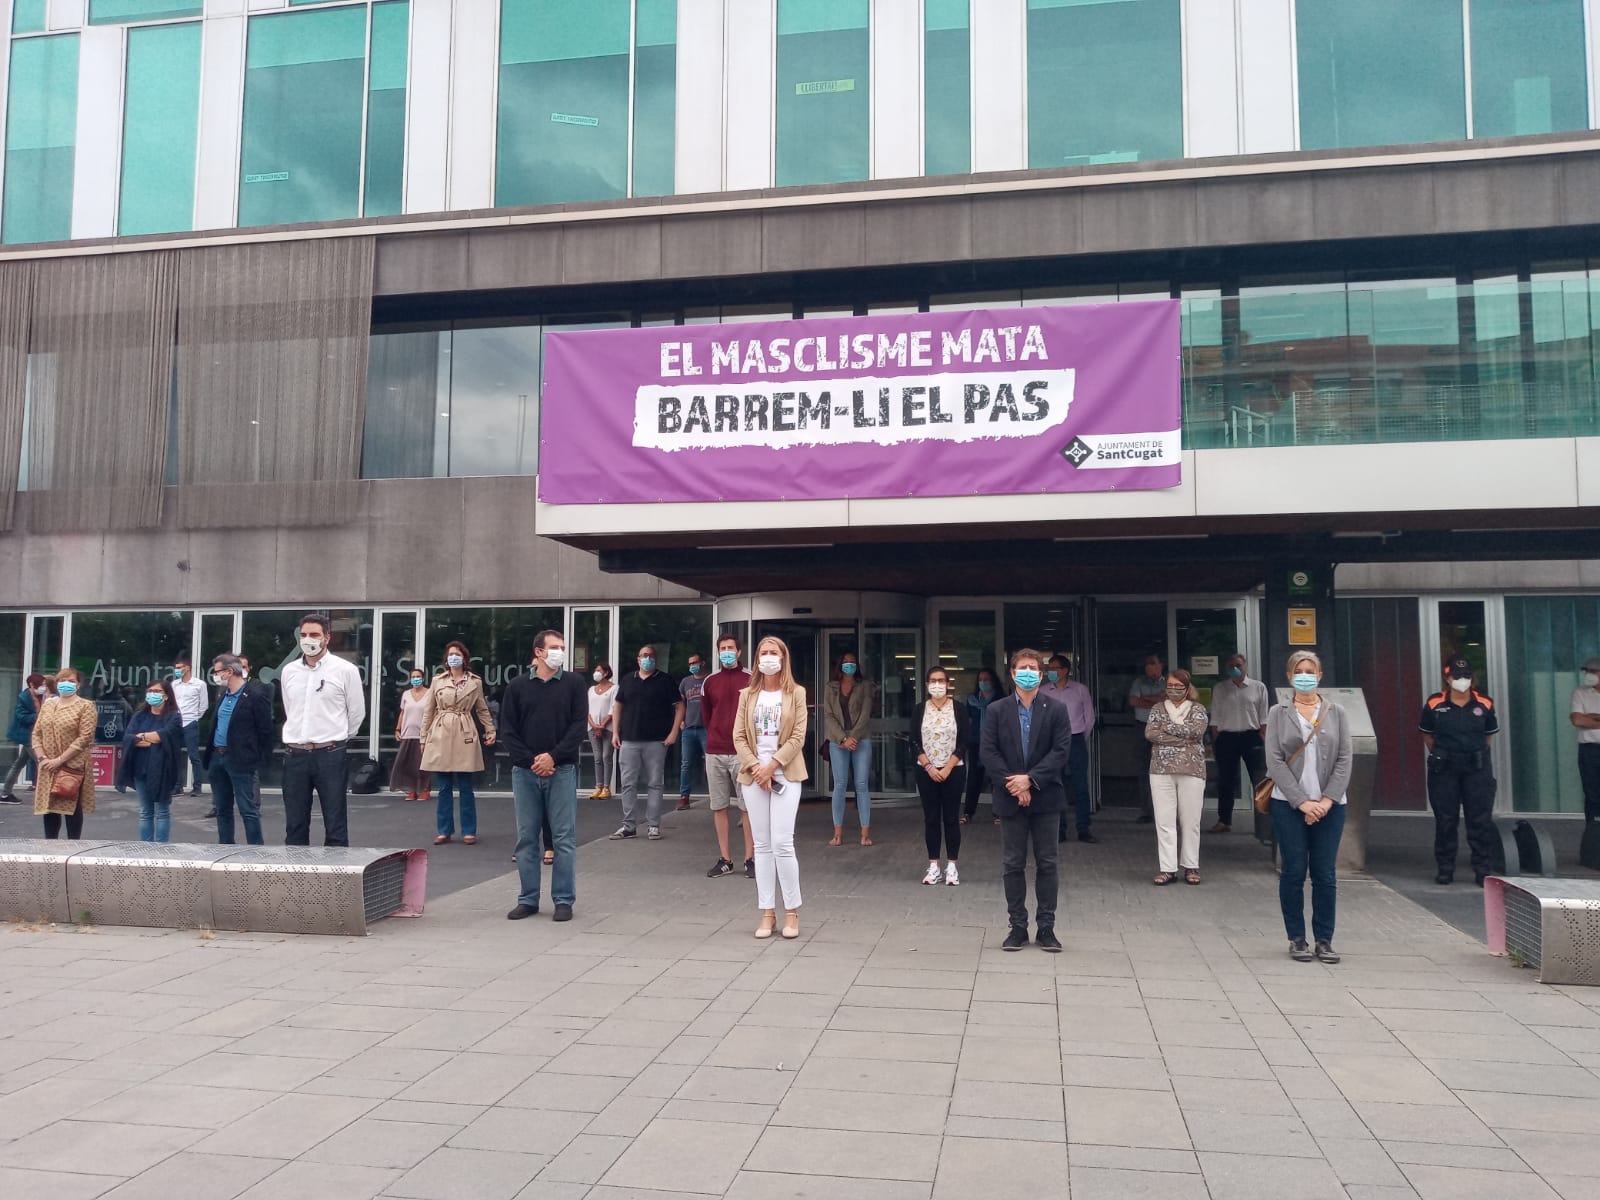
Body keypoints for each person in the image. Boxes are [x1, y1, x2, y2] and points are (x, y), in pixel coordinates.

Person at [980, 648, 1073, 952]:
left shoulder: (1056, 709)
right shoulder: (997, 710)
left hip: (1046, 796)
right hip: (1010, 797)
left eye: (1033, 668)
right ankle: (1017, 927)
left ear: (1041, 674)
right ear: (1012, 673)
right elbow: (988, 752)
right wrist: (1015, 784)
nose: (1028, 672)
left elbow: (1061, 751)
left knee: (1047, 863)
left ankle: (1046, 928)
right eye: (1023, 668)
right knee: (1012, 864)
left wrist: (1030, 780)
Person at [1266, 651, 1353, 963]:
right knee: (1293, 871)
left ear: (1320, 675)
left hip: (1331, 806)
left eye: (1310, 670)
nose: (1305, 676)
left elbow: (1345, 758)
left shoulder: (1336, 712)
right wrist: (1302, 802)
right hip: (1289, 804)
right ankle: (1297, 938)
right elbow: (1274, 760)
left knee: (1324, 874)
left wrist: (1327, 800)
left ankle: (1324, 940)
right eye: (1299, 671)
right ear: (1290, 677)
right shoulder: (1278, 713)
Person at [501, 630, 586, 922]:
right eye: (554, 647)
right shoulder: (517, 686)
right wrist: (532, 761)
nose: (560, 652)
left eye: (562, 647)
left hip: (561, 770)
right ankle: (528, 899)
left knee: (563, 838)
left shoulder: (574, 683)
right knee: (526, 838)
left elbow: (578, 727)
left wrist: (553, 757)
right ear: (538, 652)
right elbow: (508, 731)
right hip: (525, 773)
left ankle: (563, 900)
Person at [734, 636, 808, 940]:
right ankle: (767, 912)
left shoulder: (797, 693)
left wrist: (772, 766)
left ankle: (792, 911)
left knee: (782, 843)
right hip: (754, 777)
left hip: (785, 775)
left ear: (783, 657)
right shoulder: (747, 695)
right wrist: (757, 767)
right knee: (761, 845)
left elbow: (798, 737)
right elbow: (739, 736)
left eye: (772, 652)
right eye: (763, 652)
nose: (767, 657)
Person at [280, 613, 366, 848]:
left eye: (314, 634)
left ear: (327, 637)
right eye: (304, 634)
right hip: (295, 754)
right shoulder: (289, 671)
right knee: (295, 824)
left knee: (335, 822)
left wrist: (336, 737)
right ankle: (296, 870)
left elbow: (356, 712)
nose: (308, 639)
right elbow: (290, 708)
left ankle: (336, 870)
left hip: (330, 754)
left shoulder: (345, 670)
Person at [1419, 657, 1499, 886]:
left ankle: (1482, 870)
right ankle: (1445, 869)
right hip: (1445, 768)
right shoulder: (1435, 703)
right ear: (1448, 678)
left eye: (1466, 676)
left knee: (1480, 820)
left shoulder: (1484, 703)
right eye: (1456, 676)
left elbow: (1488, 737)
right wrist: (1443, 754)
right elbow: (1427, 734)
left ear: (1472, 678)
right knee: (1446, 820)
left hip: (1476, 768)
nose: (1461, 680)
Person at [421, 639, 496, 846]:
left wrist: (490, 729)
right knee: (444, 787)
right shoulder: (437, 681)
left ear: (464, 658)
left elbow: (482, 708)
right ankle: (444, 830)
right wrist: (423, 737)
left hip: (464, 731)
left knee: (465, 785)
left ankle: (469, 830)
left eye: (458, 654)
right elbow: (428, 711)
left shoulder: (475, 682)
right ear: (446, 659)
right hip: (441, 732)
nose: (454, 657)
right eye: (451, 654)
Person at [610, 644, 683, 841]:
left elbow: (679, 706)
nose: (647, 658)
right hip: (629, 740)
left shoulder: (665, 680)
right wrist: (615, 732)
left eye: (650, 655)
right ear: (638, 659)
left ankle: (653, 825)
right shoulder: (628, 680)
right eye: (643, 655)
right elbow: (618, 706)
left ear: (655, 659)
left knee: (655, 783)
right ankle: (629, 826)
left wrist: (674, 732)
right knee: (628, 784)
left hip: (657, 741)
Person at [700, 633, 755, 879]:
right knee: (719, 806)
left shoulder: (752, 678)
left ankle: (750, 858)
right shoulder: (710, 681)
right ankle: (725, 859)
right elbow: (707, 716)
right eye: (722, 648)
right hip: (715, 751)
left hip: (743, 753)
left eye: (731, 648)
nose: (727, 652)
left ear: (739, 652)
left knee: (748, 807)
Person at [1147, 669, 1209, 886]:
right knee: (1164, 821)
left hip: (1192, 770)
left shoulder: (1198, 709)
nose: (1173, 689)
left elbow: (1197, 732)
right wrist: (1183, 740)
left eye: (1178, 686)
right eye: (1170, 685)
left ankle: (1191, 866)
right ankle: (1168, 868)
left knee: (1191, 821)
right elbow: (1151, 733)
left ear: (1187, 687)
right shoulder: (1157, 708)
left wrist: (1166, 729)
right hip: (1160, 771)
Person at [910, 666, 971, 886]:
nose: (937, 685)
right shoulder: (920, 709)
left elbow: (964, 741)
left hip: (953, 770)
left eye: (941, 681)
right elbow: (914, 741)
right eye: (933, 681)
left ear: (948, 684)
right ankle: (934, 865)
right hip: (926, 771)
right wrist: (929, 766)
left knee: (951, 818)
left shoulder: (958, 709)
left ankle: (952, 866)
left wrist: (947, 768)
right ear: (927, 685)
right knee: (931, 818)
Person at [208, 654, 275, 846]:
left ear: (229, 671)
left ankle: (255, 849)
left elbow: (265, 730)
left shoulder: (255, 695)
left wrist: (258, 757)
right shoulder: (223, 695)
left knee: (247, 808)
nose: (215, 676)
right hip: (218, 757)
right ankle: (225, 845)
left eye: (217, 672)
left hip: (240, 759)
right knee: (222, 808)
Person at [32, 667, 97, 840]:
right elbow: (36, 733)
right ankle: (51, 847)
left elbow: (85, 737)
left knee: (71, 807)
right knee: (49, 809)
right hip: (47, 765)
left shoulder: (85, 706)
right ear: (56, 684)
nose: (66, 684)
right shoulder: (49, 705)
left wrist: (60, 760)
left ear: (78, 685)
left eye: (71, 681)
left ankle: (73, 847)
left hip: (71, 765)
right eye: (62, 681)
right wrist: (42, 757)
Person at [1208, 653, 1270, 833]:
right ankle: (1224, 820)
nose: (1235, 668)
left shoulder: (1258, 687)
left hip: (1251, 735)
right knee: (1226, 780)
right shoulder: (1220, 688)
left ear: (1245, 666)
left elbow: (1264, 716)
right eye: (1231, 666)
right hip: (1227, 737)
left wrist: (1263, 735)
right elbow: (1215, 716)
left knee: (1259, 779)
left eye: (1239, 665)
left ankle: (1264, 824)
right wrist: (1216, 739)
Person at [116, 678, 182, 843]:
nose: (152, 694)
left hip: (162, 771)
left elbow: (164, 736)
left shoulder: (173, 716)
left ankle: (161, 847)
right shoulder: (140, 716)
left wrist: (143, 737)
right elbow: (129, 737)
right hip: (140, 769)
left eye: (157, 691)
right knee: (145, 811)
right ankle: (146, 846)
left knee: (162, 811)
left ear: (166, 695)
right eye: (150, 691)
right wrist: (151, 739)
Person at [823, 650, 876, 847]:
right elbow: (828, 715)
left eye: (852, 662)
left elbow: (865, 713)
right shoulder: (830, 687)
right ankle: (837, 834)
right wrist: (843, 738)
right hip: (838, 740)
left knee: (861, 785)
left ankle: (865, 834)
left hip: (861, 739)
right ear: (840, 664)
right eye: (846, 662)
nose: (849, 665)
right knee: (840, 785)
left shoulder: (864, 686)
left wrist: (853, 737)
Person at [1045, 655, 1097, 844]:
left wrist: (1079, 737)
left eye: (1055, 668)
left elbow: (1089, 718)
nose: (1051, 671)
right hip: (1052, 742)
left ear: (1065, 670)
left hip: (1075, 740)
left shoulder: (1080, 690)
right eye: (1049, 668)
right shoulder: (1043, 692)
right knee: (1055, 786)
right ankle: (1059, 829)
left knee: (1080, 786)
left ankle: (1084, 828)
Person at [1127, 654, 1167, 823]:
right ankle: (1146, 811)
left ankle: (1164, 811)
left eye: (1152, 663)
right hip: (1142, 728)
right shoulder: (1138, 682)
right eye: (1147, 664)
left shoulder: (1168, 682)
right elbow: (1133, 701)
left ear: (1161, 665)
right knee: (1144, 770)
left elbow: (1169, 700)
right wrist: (1157, 700)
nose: (1149, 667)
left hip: (1163, 729)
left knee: (1164, 770)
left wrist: (1146, 699)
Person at [962, 668, 1001, 825]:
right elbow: (967, 720)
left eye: (987, 679)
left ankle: (998, 812)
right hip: (975, 743)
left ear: (993, 681)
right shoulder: (972, 700)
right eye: (981, 680)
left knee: (995, 778)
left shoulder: (1000, 699)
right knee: (973, 778)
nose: (983, 682)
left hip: (994, 744)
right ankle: (968, 812)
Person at [1, 673, 48, 803]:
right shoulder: (24, 698)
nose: (44, 687)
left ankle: (5, 794)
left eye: (45, 684)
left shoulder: (41, 697)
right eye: (42, 684)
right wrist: (38, 716)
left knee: (19, 764)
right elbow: (21, 716)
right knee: (42, 763)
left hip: (35, 735)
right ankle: (46, 795)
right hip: (28, 736)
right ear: (32, 685)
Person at [170, 651, 210, 798]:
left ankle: (197, 786)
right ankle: (177, 786)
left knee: (193, 755)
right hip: (176, 722)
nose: (177, 670)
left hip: (190, 722)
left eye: (179, 667)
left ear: (187, 667)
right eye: (176, 667)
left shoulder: (199, 684)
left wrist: (194, 717)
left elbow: (203, 705)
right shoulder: (174, 684)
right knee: (175, 755)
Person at [392, 667, 431, 802]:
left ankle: (424, 790)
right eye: (413, 677)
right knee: (407, 763)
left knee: (422, 764)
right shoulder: (406, 694)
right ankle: (411, 790)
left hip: (423, 734)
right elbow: (402, 713)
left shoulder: (429, 694)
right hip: (407, 733)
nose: (416, 679)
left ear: (423, 678)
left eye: (418, 677)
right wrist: (398, 729)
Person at [677, 650, 708, 811]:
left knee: (711, 763)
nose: (692, 666)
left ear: (702, 663)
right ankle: (684, 797)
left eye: (694, 662)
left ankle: (715, 795)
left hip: (706, 729)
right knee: (686, 764)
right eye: (690, 663)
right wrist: (681, 721)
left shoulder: (709, 680)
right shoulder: (685, 682)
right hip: (688, 728)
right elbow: (680, 703)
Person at [1570, 656, 1600, 824]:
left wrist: (1592, 717)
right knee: (1592, 793)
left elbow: (1584, 719)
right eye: (1587, 672)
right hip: (1590, 750)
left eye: (1593, 671)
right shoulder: (1580, 693)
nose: (1589, 675)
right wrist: (1586, 718)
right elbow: (1577, 720)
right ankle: (1594, 830)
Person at [587, 664, 617, 800]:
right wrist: (594, 725)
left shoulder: (614, 688)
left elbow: (613, 708)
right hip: (592, 728)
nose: (596, 672)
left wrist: (602, 725)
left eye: (598, 670)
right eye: (595, 670)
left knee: (606, 756)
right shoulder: (591, 690)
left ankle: (606, 788)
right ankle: (598, 787)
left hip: (608, 727)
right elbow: (587, 709)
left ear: (606, 673)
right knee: (598, 758)